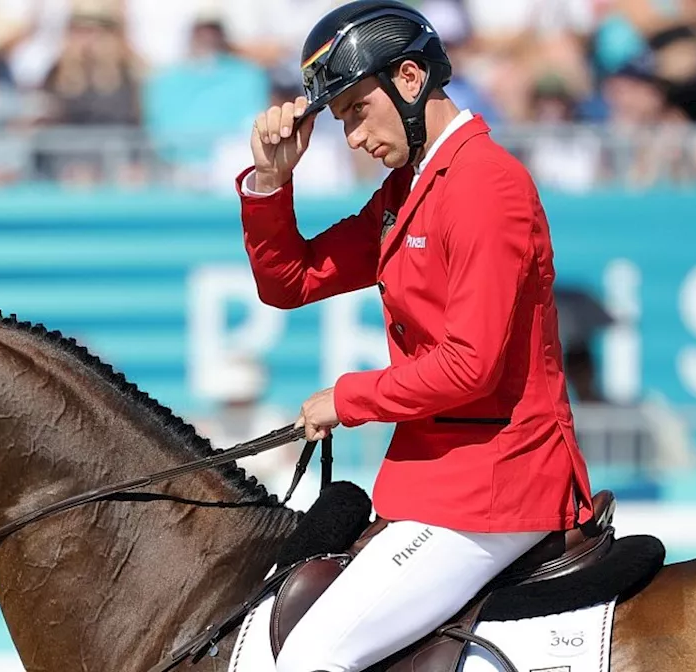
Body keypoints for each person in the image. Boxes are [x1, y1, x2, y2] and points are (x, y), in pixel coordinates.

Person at [233, 2, 595, 670]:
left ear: (408, 78)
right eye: (338, 121)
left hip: (497, 486)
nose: (351, 139)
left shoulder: (487, 185)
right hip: (436, 485)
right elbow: (292, 280)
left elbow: (472, 364)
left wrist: (348, 398)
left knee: (312, 657)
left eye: (354, 112)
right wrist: (272, 180)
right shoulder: (408, 190)